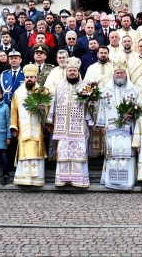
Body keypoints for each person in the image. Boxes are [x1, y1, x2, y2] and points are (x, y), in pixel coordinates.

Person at [47, 58, 93, 187]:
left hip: (79, 125)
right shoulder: (59, 86)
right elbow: (53, 104)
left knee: (79, 152)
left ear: (78, 72)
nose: (72, 73)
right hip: (63, 127)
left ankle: (78, 179)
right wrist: (50, 119)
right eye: (70, 71)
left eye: (74, 70)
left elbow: (91, 106)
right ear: (66, 72)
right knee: (63, 152)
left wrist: (91, 102)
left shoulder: (85, 87)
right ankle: (63, 179)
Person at [96, 61, 141, 190]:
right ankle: (112, 181)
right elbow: (102, 109)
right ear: (113, 74)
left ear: (126, 74)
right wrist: (102, 126)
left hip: (127, 129)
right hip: (111, 128)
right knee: (113, 154)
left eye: (122, 73)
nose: (119, 75)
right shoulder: (106, 90)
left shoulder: (133, 90)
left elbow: (139, 109)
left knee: (127, 154)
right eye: (117, 73)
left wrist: (133, 114)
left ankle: (127, 181)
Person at [9, 64, 48, 186]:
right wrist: (14, 126)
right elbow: (13, 110)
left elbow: (49, 108)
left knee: (36, 151)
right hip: (23, 128)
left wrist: (43, 109)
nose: (29, 79)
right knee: (24, 151)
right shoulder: (18, 92)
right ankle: (23, 179)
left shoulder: (43, 91)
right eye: (27, 77)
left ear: (36, 78)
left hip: (37, 128)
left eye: (32, 77)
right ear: (24, 78)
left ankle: (37, 179)